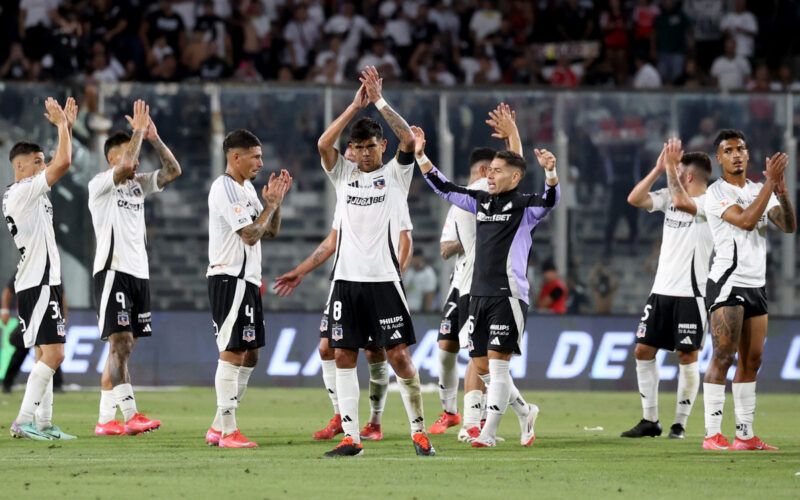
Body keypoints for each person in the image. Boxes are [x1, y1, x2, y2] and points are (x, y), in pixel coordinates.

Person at [415, 127, 560, 448]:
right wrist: (421, 155)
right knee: (480, 364)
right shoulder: (480, 201)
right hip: (476, 294)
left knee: (496, 362)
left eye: (497, 172)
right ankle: (524, 412)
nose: (490, 176)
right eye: (489, 170)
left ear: (516, 177)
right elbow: (443, 187)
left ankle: (488, 432)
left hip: (508, 294)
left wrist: (550, 172)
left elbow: (551, 199)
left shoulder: (525, 206)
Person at [316, 66, 433, 457]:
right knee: (344, 354)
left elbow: (408, 138)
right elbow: (323, 144)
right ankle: (352, 437)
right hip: (345, 282)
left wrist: (379, 99)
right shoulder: (343, 175)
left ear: (381, 147)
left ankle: (418, 431)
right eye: (359, 147)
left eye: (371, 147)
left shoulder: (396, 175)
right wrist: (353, 106)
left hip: (384, 281)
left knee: (398, 355)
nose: (364, 154)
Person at [273, 145, 414, 442]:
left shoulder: (389, 186)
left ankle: (375, 421)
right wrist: (301, 270)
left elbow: (405, 238)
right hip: (345, 281)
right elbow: (332, 240)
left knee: (375, 351)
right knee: (327, 348)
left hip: (379, 282)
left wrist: (395, 275)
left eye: (358, 150)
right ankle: (341, 415)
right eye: (350, 150)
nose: (352, 156)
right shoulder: (346, 190)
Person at [89, 99, 182, 436]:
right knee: (121, 343)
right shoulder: (100, 184)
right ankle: (130, 415)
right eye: (132, 150)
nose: (137, 155)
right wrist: (138, 132)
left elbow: (173, 172)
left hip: (139, 275)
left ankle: (104, 420)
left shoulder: (137, 186)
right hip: (113, 272)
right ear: (114, 158)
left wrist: (154, 138)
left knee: (122, 350)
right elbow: (128, 163)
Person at [702, 129, 795, 451]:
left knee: (752, 361)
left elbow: (788, 225)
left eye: (741, 148)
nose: (737, 153)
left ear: (748, 154)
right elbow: (743, 221)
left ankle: (744, 435)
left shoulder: (760, 189)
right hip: (728, 283)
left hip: (756, 284)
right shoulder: (716, 193)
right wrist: (770, 185)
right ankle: (712, 434)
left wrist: (781, 192)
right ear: (720, 159)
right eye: (729, 150)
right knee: (724, 355)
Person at [430, 103, 518, 440]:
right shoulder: (462, 202)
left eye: (485, 171)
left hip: (484, 286)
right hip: (459, 284)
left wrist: (512, 136)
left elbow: (516, 166)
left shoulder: (493, 196)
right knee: (447, 350)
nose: (481, 177)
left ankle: (482, 418)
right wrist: (465, 240)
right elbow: (444, 248)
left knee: (482, 359)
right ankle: (454, 413)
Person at [205, 129, 292, 448]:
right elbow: (250, 234)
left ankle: (218, 425)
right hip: (229, 277)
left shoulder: (248, 190)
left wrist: (275, 204)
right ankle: (228, 431)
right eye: (255, 156)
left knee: (251, 354)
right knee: (233, 351)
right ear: (235, 157)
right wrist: (268, 208)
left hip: (249, 281)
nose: (261, 162)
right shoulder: (225, 188)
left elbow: (270, 232)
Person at [622, 139, 714, 440]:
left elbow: (679, 202)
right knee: (643, 350)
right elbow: (634, 199)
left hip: (692, 294)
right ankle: (650, 420)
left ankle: (679, 423)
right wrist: (659, 168)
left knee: (687, 356)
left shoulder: (710, 203)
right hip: (661, 291)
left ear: (688, 176)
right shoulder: (670, 195)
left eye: (678, 171)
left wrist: (671, 170)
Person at [3, 97, 77, 440]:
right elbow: (64, 162)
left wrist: (69, 130)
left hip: (42, 281)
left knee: (45, 354)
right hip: (38, 281)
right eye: (37, 162)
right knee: (56, 354)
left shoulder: (28, 194)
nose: (42, 166)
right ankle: (23, 419)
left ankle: (44, 423)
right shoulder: (22, 191)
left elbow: (60, 159)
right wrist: (62, 127)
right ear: (20, 167)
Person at [1, 278, 64, 393]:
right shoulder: (28, 265)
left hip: (48, 316)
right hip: (29, 316)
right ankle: (7, 382)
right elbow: (8, 290)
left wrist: (62, 315)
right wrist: (4, 310)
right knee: (22, 350)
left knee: (53, 350)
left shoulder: (55, 270)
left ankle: (57, 384)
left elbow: (61, 295)